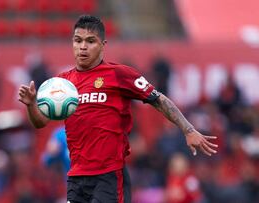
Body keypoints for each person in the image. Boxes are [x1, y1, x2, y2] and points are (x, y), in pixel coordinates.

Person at [18, 15, 218, 203]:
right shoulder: (62, 83)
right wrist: (31, 105)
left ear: (103, 45)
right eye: (78, 41)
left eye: (90, 41)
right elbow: (40, 121)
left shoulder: (119, 75)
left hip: (109, 175)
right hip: (76, 177)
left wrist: (188, 129)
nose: (83, 47)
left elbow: (159, 100)